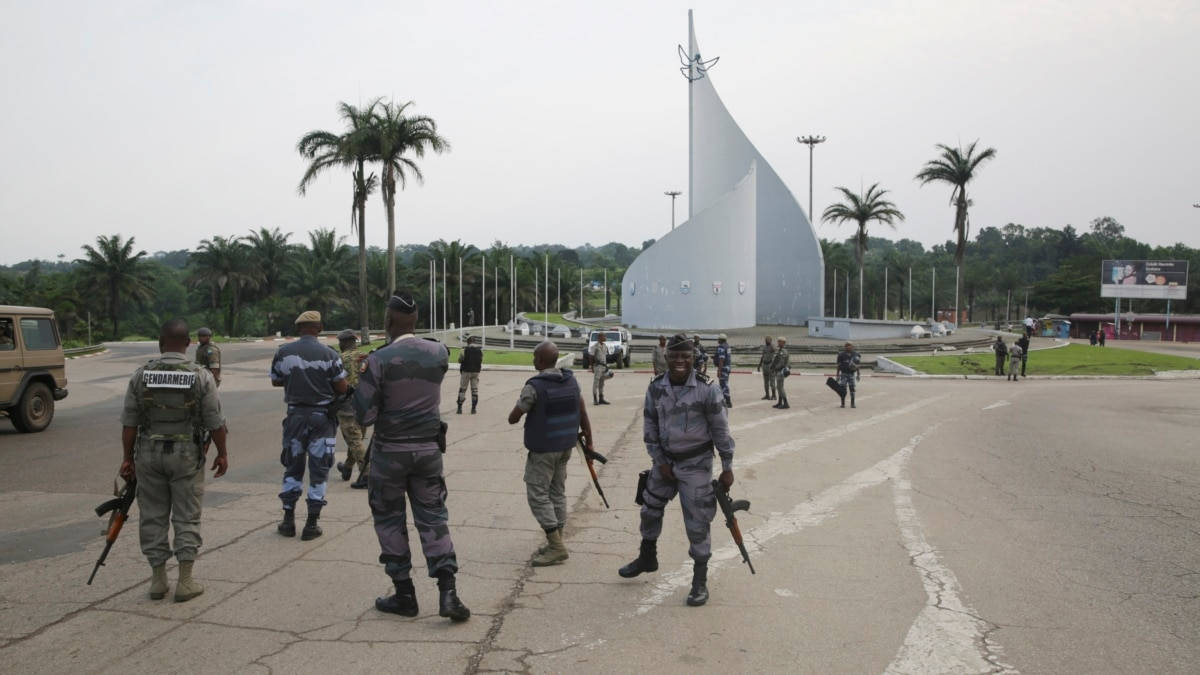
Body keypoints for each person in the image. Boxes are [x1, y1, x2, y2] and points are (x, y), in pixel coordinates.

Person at [355, 292, 470, 622]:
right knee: (434, 518)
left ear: (389, 320)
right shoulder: (437, 353)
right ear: (416, 321)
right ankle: (448, 593)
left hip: (390, 454)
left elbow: (364, 416)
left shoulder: (378, 360)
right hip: (428, 452)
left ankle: (405, 596)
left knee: (390, 520)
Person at [618, 334, 735, 607]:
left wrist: (728, 467)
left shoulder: (708, 389)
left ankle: (699, 580)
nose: (680, 361)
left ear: (694, 358)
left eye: (686, 356)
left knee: (697, 522)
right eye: (675, 356)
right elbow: (649, 427)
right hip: (664, 463)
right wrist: (659, 461)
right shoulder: (656, 387)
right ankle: (647, 557)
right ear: (666, 357)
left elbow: (721, 430)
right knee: (649, 509)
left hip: (696, 465)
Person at [118, 318, 228, 602]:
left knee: (152, 515)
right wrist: (222, 453)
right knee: (186, 515)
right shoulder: (200, 376)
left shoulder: (141, 375)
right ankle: (186, 581)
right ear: (189, 343)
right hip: (186, 454)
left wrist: (127, 458)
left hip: (148, 453)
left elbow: (129, 423)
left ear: (160, 341)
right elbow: (215, 422)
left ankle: (157, 581)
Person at [507, 341, 595, 566]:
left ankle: (556, 546)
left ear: (542, 361)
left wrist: (517, 412)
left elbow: (514, 417)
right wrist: (590, 439)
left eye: (535, 357)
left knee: (538, 494)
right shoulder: (570, 381)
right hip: (565, 447)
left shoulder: (535, 386)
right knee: (557, 492)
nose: (533, 361)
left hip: (544, 449)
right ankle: (558, 540)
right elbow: (582, 410)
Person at [270, 310, 348, 541]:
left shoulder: (283, 352)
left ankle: (287, 521)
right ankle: (311, 524)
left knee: (292, 468)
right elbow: (342, 387)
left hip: (295, 417)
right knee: (319, 470)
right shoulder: (329, 354)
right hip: (322, 419)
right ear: (320, 328)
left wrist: (296, 379)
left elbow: (276, 379)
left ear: (298, 328)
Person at [334, 329, 369, 489]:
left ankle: (367, 474)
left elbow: (335, 383)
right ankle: (347, 467)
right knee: (357, 438)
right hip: (365, 403)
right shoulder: (367, 357)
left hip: (347, 403)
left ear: (343, 342)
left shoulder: (340, 359)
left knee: (354, 439)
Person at [457, 335, 483, 414]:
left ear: (468, 342)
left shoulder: (464, 350)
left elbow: (460, 360)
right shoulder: (480, 350)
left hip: (466, 371)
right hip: (476, 372)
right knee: (474, 390)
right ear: (475, 342)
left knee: (463, 389)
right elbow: (481, 360)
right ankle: (473, 409)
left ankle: (459, 408)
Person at [836, 342, 861, 408]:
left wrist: (858, 374)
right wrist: (837, 375)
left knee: (852, 388)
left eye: (849, 346)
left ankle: (852, 403)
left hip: (851, 374)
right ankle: (843, 403)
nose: (847, 347)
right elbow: (838, 365)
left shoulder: (856, 355)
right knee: (843, 389)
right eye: (846, 346)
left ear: (852, 346)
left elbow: (858, 365)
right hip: (843, 374)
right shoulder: (841, 355)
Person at [589, 332, 609, 405]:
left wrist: (606, 366)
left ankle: (601, 398)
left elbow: (604, 357)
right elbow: (591, 356)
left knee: (602, 383)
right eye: (604, 336)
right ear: (600, 337)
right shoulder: (595, 346)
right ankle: (595, 399)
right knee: (596, 383)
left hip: (603, 366)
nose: (605, 338)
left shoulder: (604, 346)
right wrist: (592, 367)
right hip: (598, 366)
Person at [770, 336, 790, 409]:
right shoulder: (779, 350)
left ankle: (786, 403)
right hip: (777, 371)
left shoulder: (783, 351)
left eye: (779, 341)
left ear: (783, 343)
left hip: (781, 371)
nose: (778, 342)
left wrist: (775, 368)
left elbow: (782, 363)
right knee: (779, 387)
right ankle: (779, 402)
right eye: (778, 341)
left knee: (780, 388)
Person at [713, 333, 732, 408]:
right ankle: (725, 400)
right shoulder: (727, 346)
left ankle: (728, 401)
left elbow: (721, 359)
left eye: (718, 339)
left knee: (723, 385)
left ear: (721, 340)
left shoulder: (721, 347)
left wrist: (719, 370)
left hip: (723, 368)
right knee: (724, 384)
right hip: (727, 367)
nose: (718, 340)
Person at [757, 335, 776, 400]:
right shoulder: (764, 347)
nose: (766, 341)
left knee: (772, 382)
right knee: (765, 382)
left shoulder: (772, 347)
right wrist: (759, 365)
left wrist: (771, 344)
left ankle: (774, 395)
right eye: (766, 340)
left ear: (770, 341)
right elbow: (763, 356)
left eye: (768, 340)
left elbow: (775, 350)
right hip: (764, 365)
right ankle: (767, 395)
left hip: (770, 365)